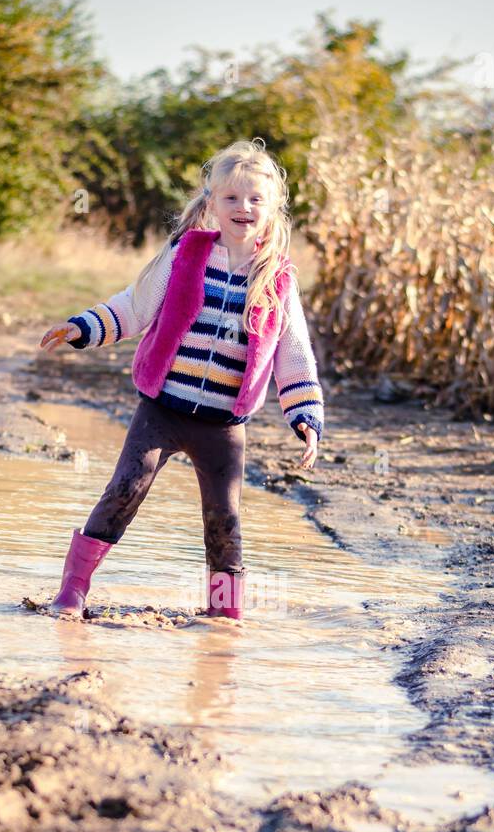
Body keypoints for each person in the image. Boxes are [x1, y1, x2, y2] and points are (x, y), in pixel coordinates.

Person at [40, 138, 325, 620]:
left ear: (273, 209)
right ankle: (72, 592)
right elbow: (133, 307)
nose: (243, 208)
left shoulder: (276, 276)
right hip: (163, 409)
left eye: (256, 199)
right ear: (211, 203)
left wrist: (305, 415)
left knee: (225, 519)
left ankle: (223, 616)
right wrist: (82, 327)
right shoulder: (185, 255)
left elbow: (293, 352)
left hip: (223, 425)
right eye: (231, 198)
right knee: (125, 489)